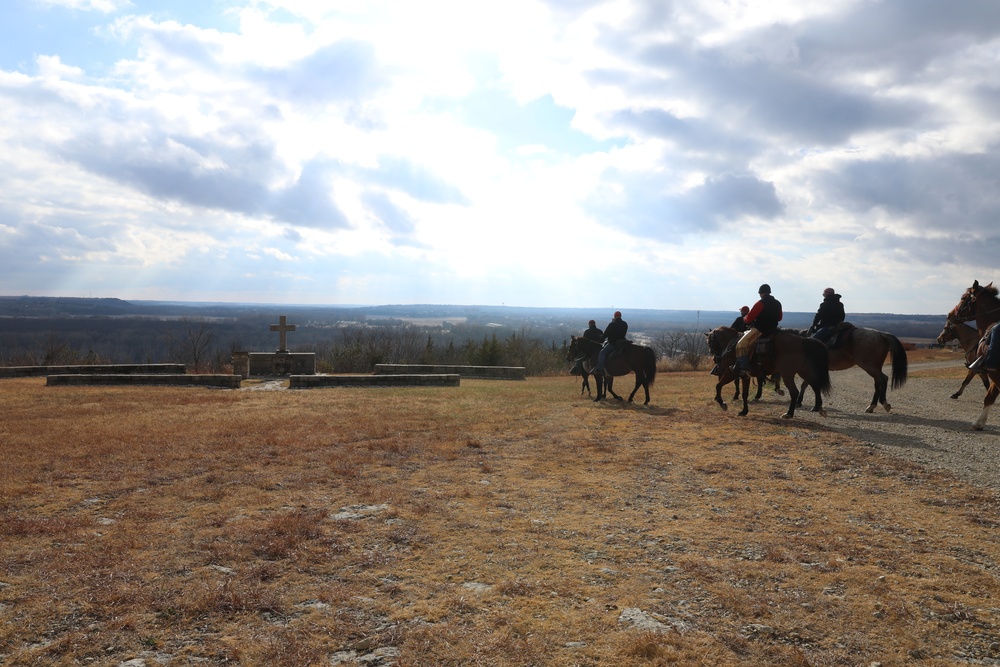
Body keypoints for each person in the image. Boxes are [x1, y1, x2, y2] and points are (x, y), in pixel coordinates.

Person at [733, 284, 782, 378]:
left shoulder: (760, 303)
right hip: (774, 330)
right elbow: (780, 318)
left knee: (740, 345)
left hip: (760, 330)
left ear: (760, 293)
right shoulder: (778, 303)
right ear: (769, 292)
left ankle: (744, 368)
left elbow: (749, 319)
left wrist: (744, 319)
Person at [592, 311, 628, 376]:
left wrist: (600, 340)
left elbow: (606, 334)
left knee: (602, 353)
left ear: (615, 316)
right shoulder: (625, 324)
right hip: (623, 342)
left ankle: (600, 369)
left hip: (613, 344)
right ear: (620, 316)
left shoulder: (612, 324)